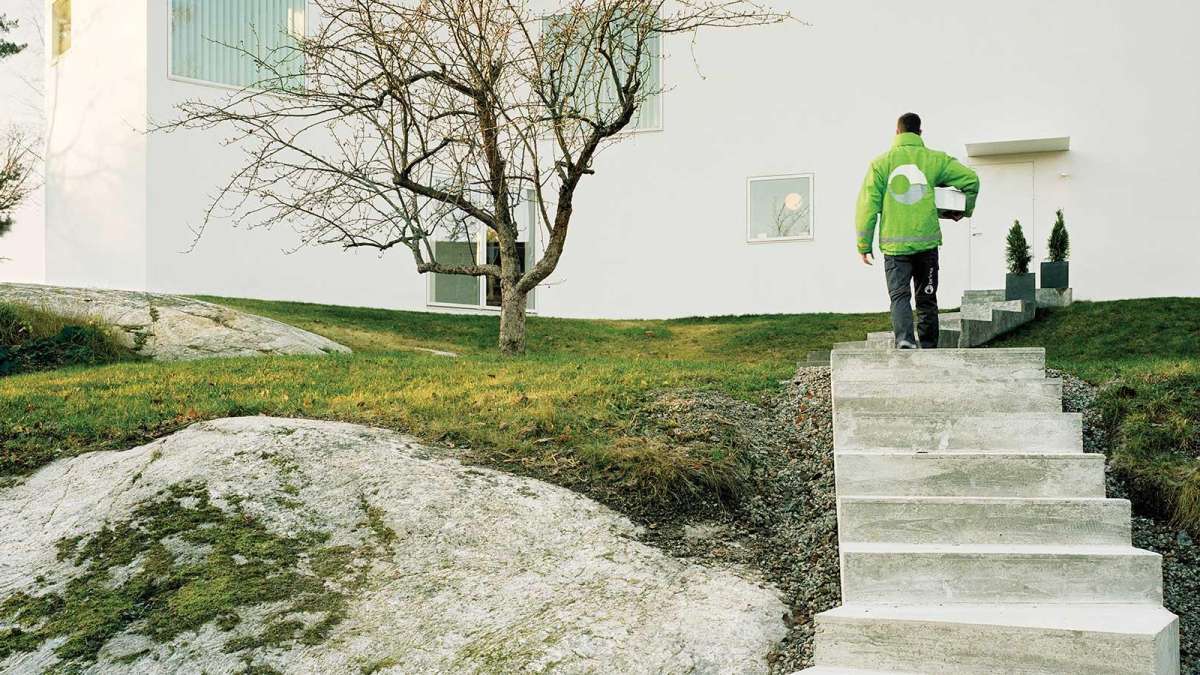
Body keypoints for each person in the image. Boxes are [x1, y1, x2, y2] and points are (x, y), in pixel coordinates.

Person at [855, 112, 980, 349]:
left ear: (897, 131)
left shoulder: (880, 164)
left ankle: (904, 341)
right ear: (920, 132)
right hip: (927, 245)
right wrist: (961, 211)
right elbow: (971, 181)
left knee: (900, 297)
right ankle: (930, 346)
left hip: (895, 248)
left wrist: (864, 244)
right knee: (927, 298)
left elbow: (866, 206)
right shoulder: (935, 160)